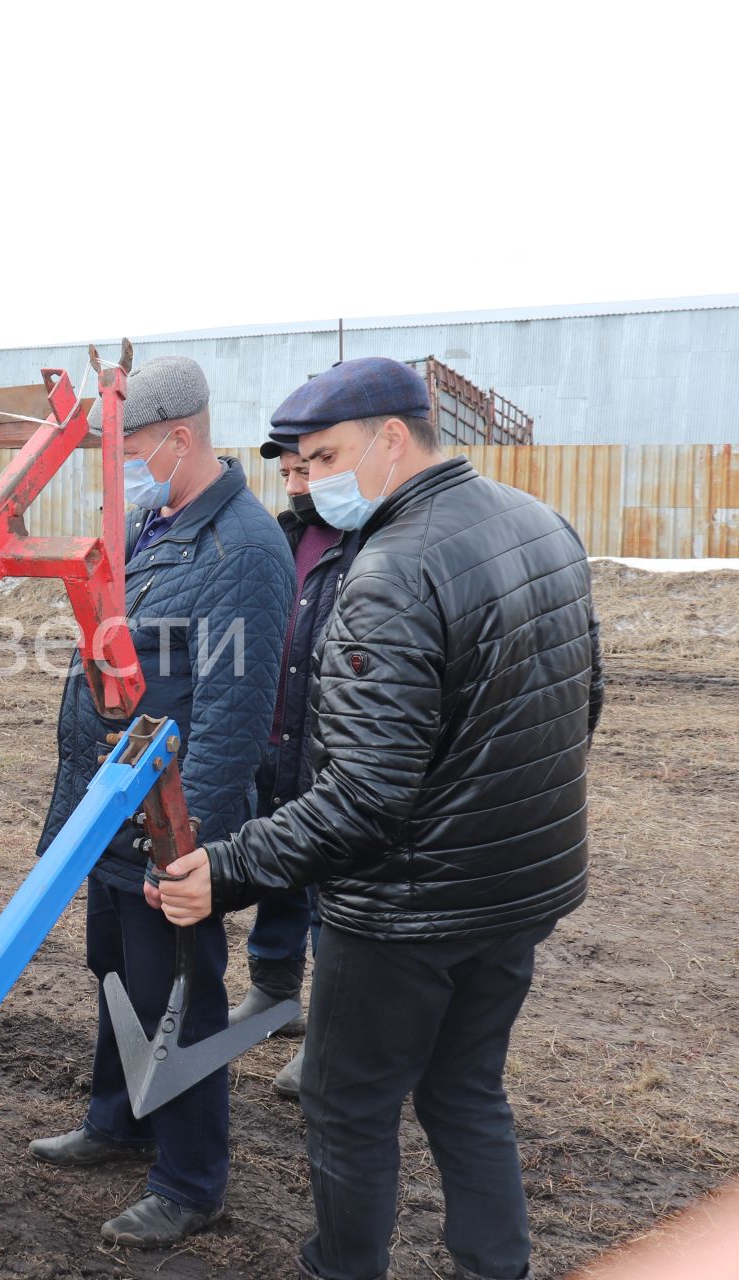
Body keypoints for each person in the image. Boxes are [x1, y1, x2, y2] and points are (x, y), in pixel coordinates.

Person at [152, 357, 605, 1280]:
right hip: (519, 887)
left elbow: (364, 797)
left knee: (347, 1105)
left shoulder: (390, 573)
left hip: (406, 907)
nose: (313, 479)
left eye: (326, 457)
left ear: (394, 438)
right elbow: (583, 702)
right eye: (302, 462)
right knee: (467, 1091)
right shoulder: (541, 524)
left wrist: (229, 869)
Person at [27, 356, 294, 1247]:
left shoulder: (246, 549)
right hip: (109, 805)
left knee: (178, 990)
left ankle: (189, 1179)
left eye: (133, 448)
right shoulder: (150, 522)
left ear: (182, 438)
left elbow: (234, 715)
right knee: (115, 969)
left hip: (169, 818)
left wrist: (196, 852)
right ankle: (117, 1120)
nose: (125, 466)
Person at [232, 435, 363, 1098]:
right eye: (285, 472)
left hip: (335, 743)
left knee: (330, 886)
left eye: (306, 469)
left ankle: (334, 1038)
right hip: (276, 733)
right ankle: (274, 993)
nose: (294, 484)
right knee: (278, 863)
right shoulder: (285, 537)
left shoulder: (370, 543)